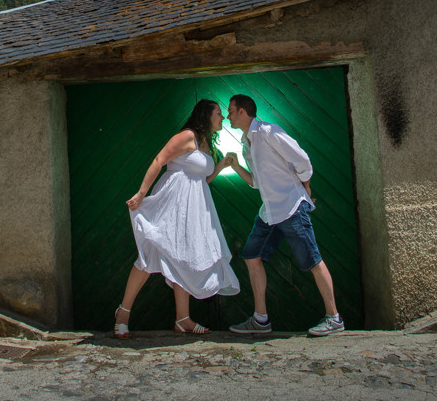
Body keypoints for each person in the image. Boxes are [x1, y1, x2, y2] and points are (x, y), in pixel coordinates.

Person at [113, 99, 240, 339]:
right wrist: (141, 193)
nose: (222, 118)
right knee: (149, 255)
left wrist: (221, 165)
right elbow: (159, 161)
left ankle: (183, 319)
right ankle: (123, 313)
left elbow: (203, 180)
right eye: (218, 113)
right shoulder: (186, 136)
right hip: (171, 204)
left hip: (194, 209)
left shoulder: (205, 143)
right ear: (205, 115)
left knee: (185, 257)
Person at [223, 94, 344, 336]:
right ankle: (260, 320)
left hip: (290, 206)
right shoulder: (246, 143)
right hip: (269, 212)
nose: (228, 116)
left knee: (312, 260)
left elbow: (303, 160)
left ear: (243, 112)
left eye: (231, 111)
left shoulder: (268, 132)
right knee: (251, 256)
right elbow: (256, 183)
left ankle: (334, 319)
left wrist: (305, 186)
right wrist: (236, 167)